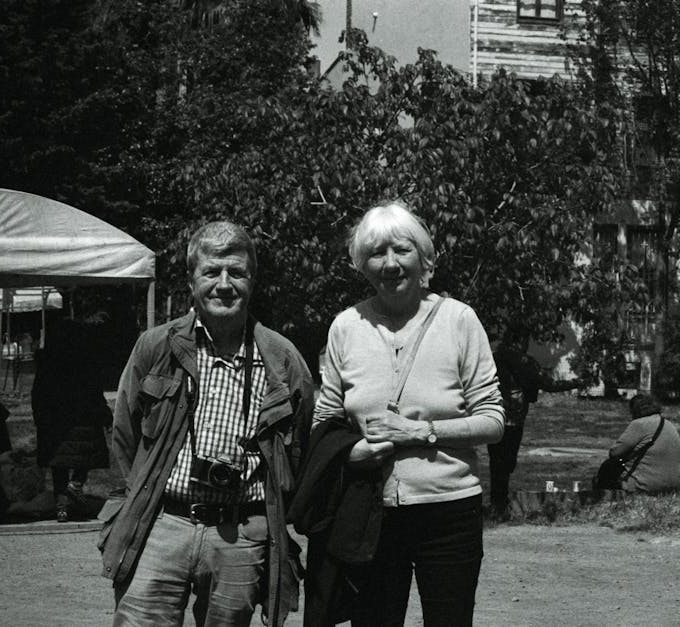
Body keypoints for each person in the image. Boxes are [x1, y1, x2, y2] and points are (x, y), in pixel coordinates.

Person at [291, 201, 504, 626]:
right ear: (361, 265)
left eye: (402, 250)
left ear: (423, 258)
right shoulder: (346, 327)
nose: (390, 264)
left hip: (449, 510)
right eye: (376, 254)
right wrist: (349, 454)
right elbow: (325, 419)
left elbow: (493, 421)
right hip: (372, 511)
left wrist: (418, 432)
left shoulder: (460, 321)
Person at [98, 221, 314, 627]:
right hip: (160, 525)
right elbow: (124, 431)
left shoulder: (282, 358)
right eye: (212, 271)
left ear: (254, 278)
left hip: (241, 534)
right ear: (191, 279)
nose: (225, 284)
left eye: (237, 272)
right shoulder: (157, 346)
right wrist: (145, 493)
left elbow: (300, 443)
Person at [487, 331, 586, 519]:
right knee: (507, 462)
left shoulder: (492, 359)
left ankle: (496, 503)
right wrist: (576, 383)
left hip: (493, 415)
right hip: (514, 417)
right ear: (519, 340)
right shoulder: (524, 362)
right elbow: (548, 384)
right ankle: (500, 504)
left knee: (496, 462)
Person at [31, 318, 112, 523]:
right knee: (82, 457)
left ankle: (62, 508)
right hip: (83, 419)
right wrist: (104, 414)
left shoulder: (48, 362)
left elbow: (38, 393)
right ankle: (76, 484)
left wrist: (39, 416)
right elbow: (94, 392)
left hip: (54, 420)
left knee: (59, 464)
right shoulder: (85, 361)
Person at [594, 394, 680, 493]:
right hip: (676, 486)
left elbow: (614, 452)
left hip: (648, 485)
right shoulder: (668, 424)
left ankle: (602, 500)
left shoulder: (639, 424)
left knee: (608, 467)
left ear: (635, 410)